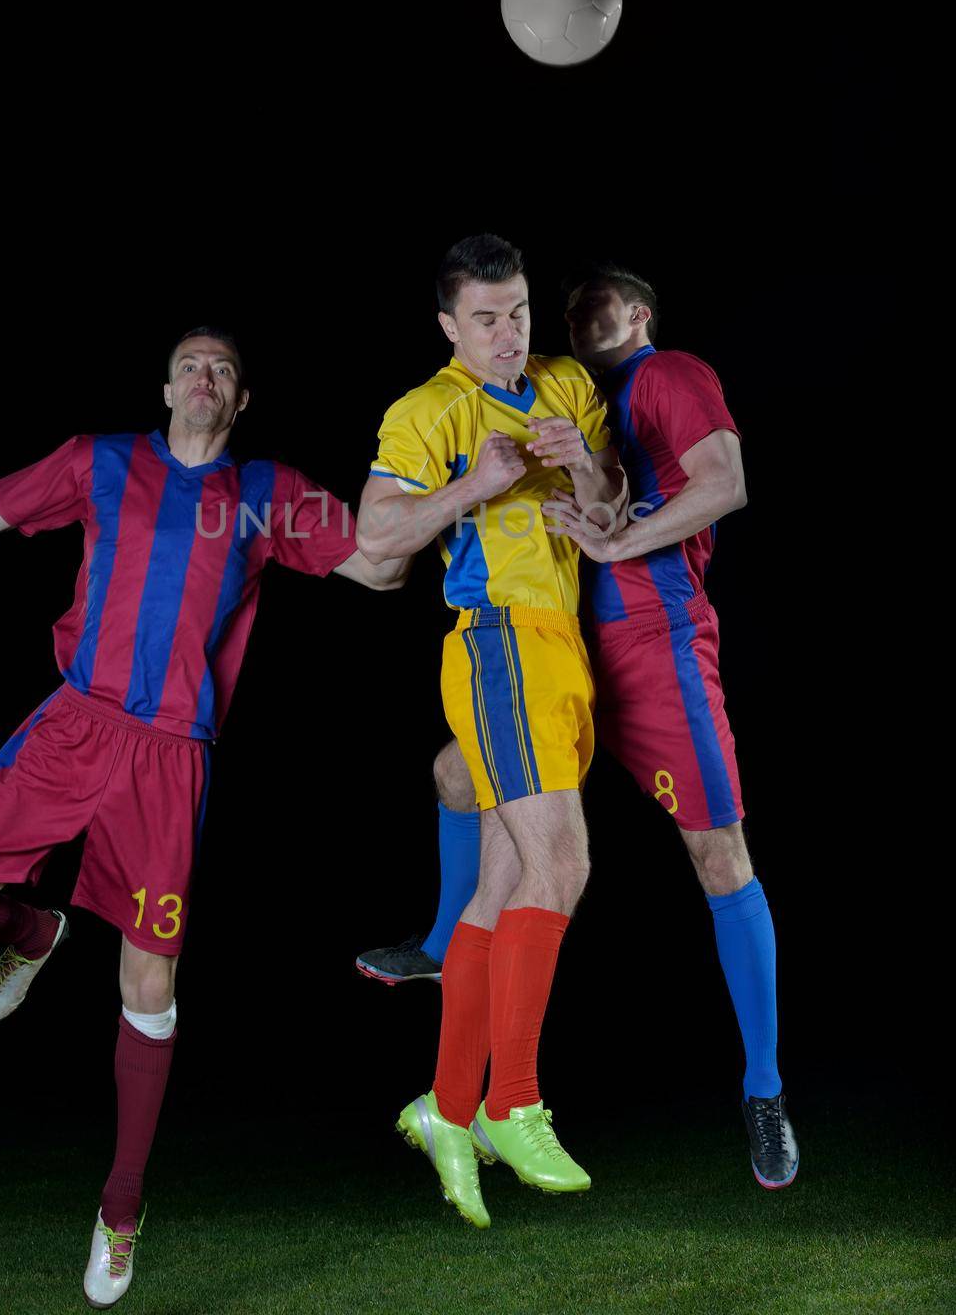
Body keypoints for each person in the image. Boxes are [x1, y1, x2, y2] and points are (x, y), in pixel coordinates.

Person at [0, 326, 404, 1308]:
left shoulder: (267, 492)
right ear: (166, 384)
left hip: (170, 757)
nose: (204, 377)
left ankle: (121, 1207)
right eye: (190, 363)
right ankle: (35, 927)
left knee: (148, 978)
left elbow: (379, 569)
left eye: (223, 368)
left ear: (241, 398)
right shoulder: (102, 460)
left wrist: (436, 496)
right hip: (72, 725)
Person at [357, 265, 798, 1191]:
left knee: (716, 854)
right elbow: (386, 532)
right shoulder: (533, 389)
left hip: (649, 642)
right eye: (559, 305)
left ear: (641, 312)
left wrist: (614, 536)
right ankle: (459, 1017)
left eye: (595, 301)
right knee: (460, 783)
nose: (565, 316)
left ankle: (763, 1091)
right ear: (457, 325)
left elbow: (720, 484)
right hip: (543, 643)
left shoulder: (665, 372)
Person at [355, 236, 623, 1227]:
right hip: (497, 643)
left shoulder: (564, 384)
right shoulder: (429, 411)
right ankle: (513, 1100)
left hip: (565, 647)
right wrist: (479, 482)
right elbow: (376, 532)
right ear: (447, 327)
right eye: (485, 319)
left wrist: (584, 466)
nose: (507, 335)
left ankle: (444, 1107)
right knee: (563, 866)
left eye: (516, 314)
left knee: (504, 884)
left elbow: (611, 502)